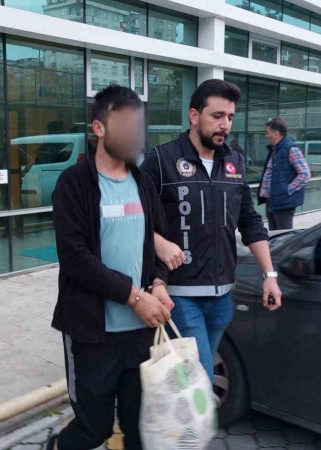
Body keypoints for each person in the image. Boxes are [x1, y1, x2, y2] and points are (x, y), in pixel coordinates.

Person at [47, 85, 173, 450]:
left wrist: (159, 283)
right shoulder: (74, 184)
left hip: (141, 333)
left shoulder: (143, 182)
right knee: (94, 428)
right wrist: (136, 297)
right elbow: (75, 258)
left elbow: (158, 242)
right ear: (99, 128)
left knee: (139, 429)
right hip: (93, 334)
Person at [141, 79, 282, 383]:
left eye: (230, 117)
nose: (225, 125)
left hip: (222, 298)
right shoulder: (161, 160)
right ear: (194, 115)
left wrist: (269, 275)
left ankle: (180, 413)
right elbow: (135, 217)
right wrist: (157, 241)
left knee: (189, 383)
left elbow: (249, 221)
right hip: (180, 296)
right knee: (201, 381)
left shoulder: (234, 162)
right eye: (217, 116)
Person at [257, 116, 311, 231]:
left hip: (283, 203)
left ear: (275, 134)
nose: (266, 135)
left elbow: (305, 174)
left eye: (267, 132)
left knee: (284, 236)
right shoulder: (274, 150)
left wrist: (287, 190)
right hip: (272, 201)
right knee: (274, 236)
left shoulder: (291, 149)